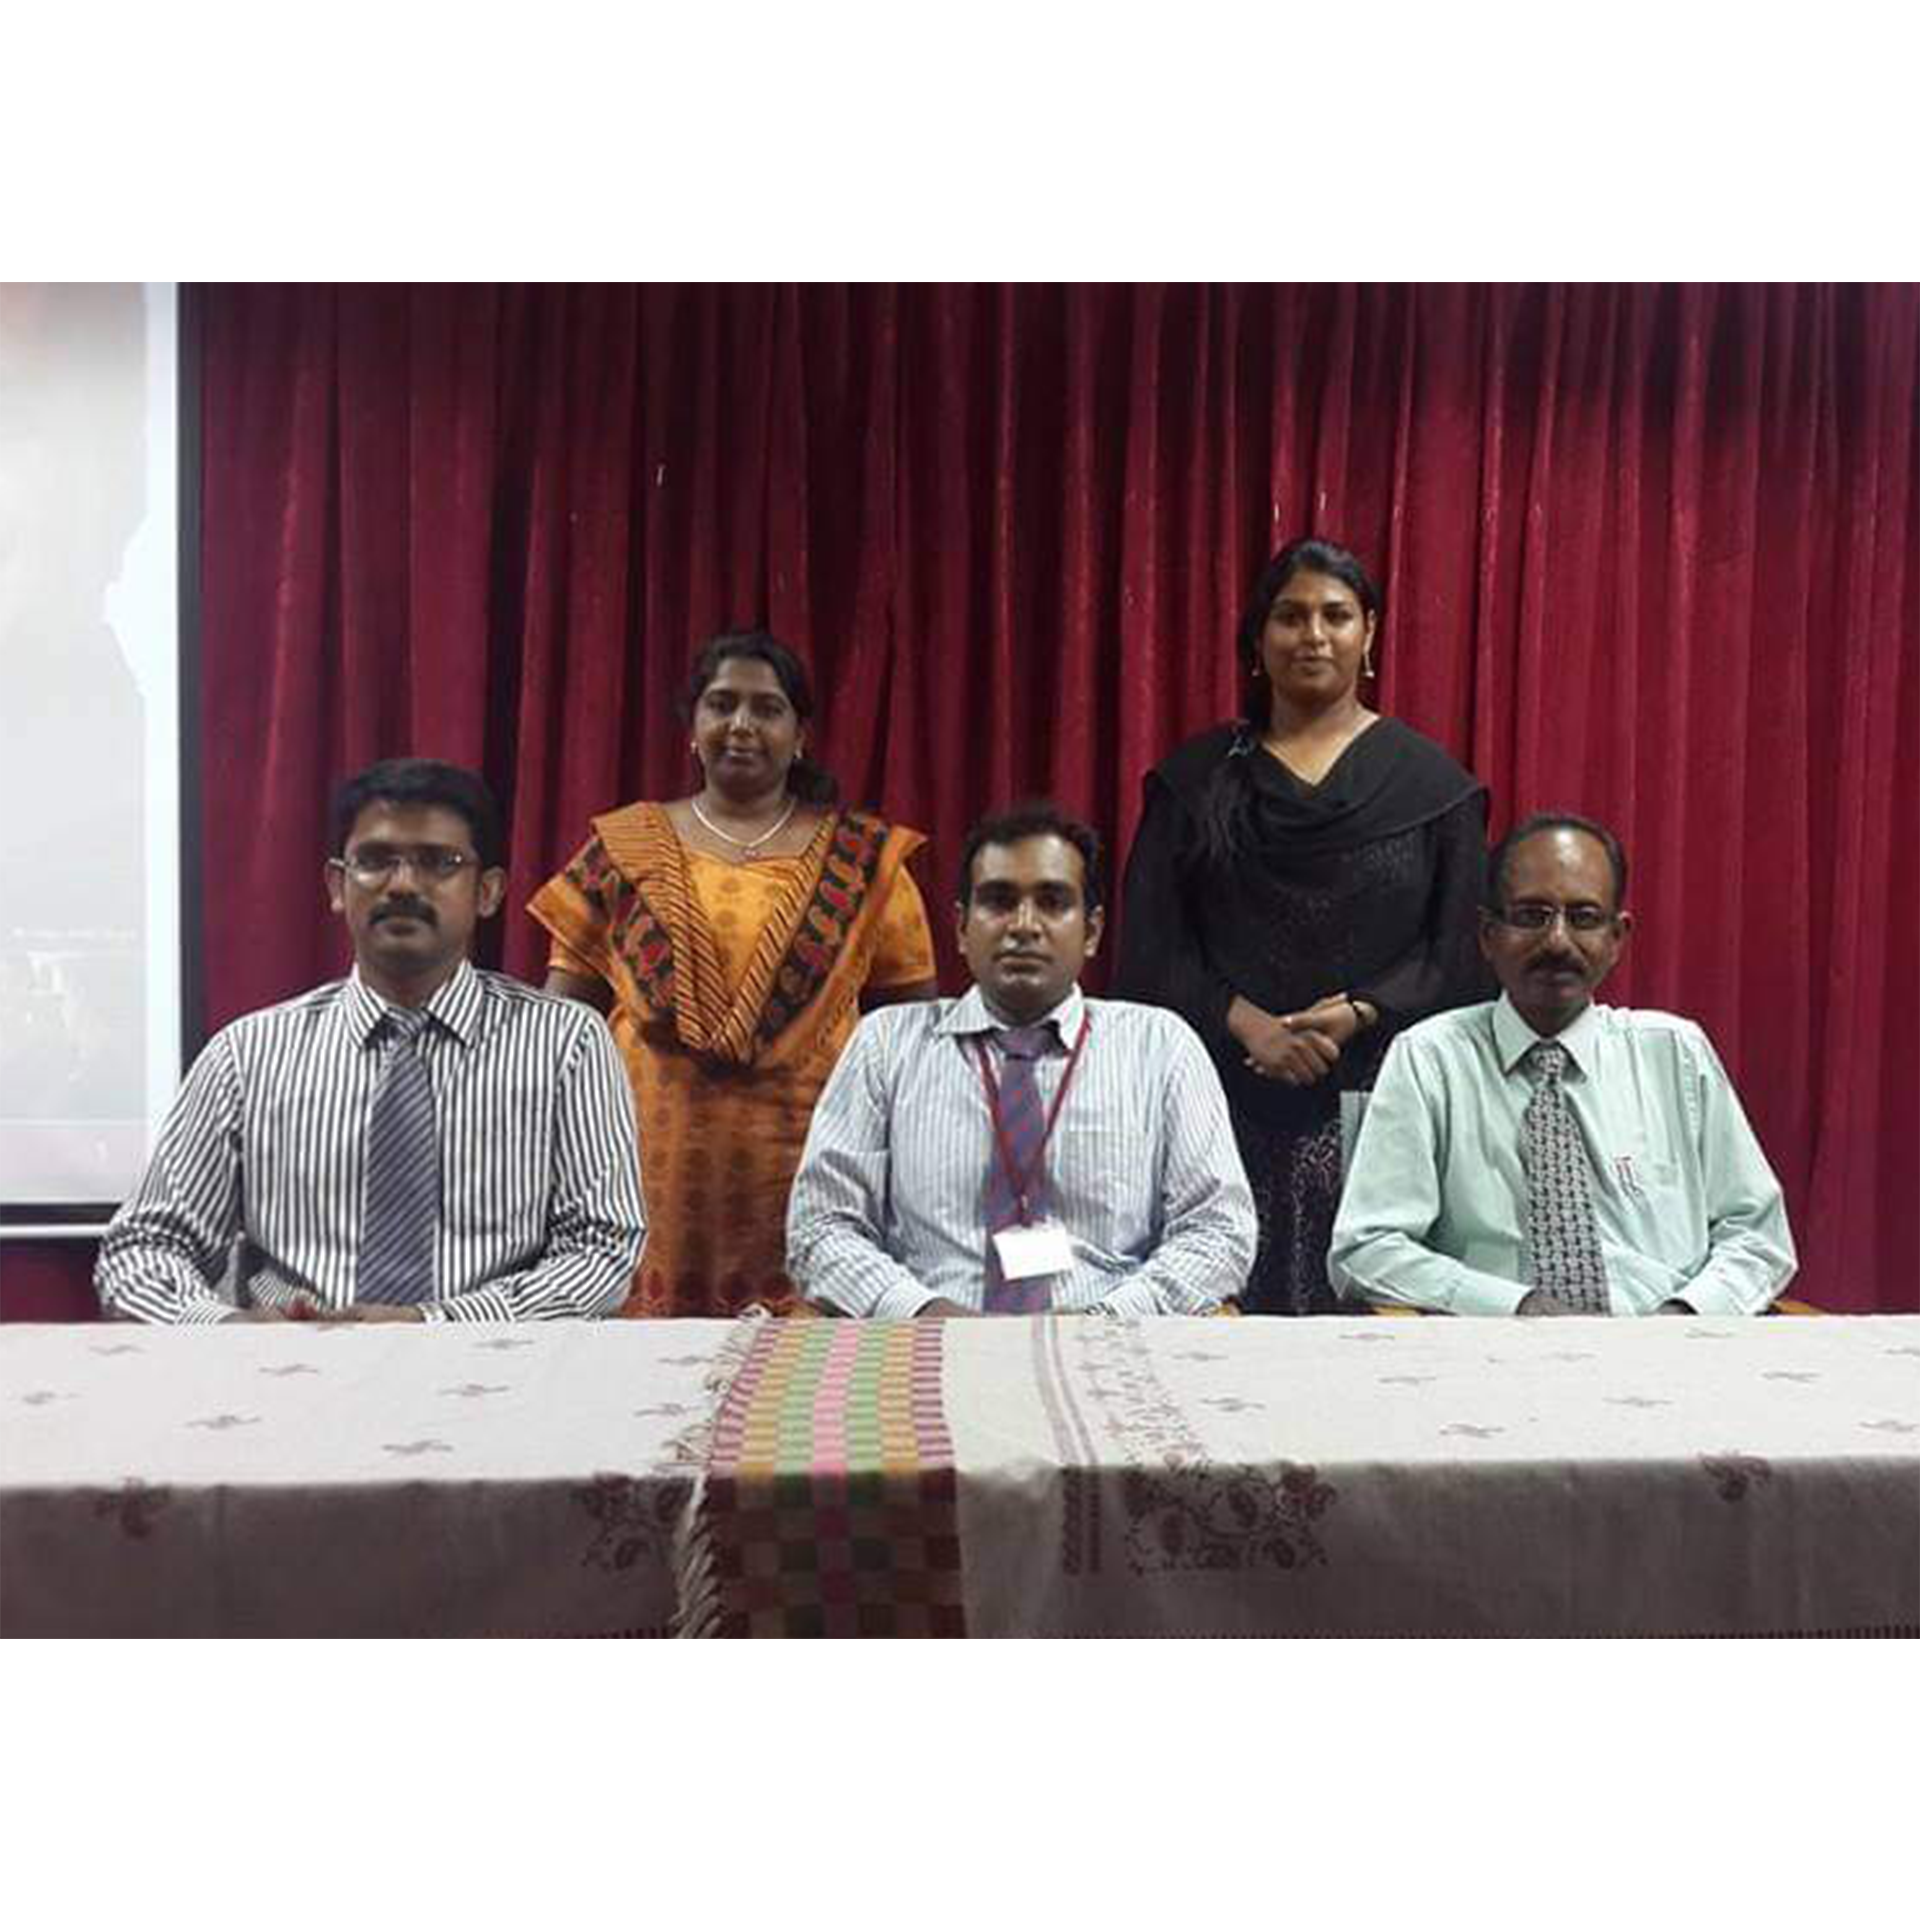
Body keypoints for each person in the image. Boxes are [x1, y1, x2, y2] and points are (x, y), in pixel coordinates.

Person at [96, 759, 647, 1323]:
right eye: (375, 860)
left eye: (439, 862)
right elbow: (143, 1248)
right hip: (289, 1364)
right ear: (337, 885)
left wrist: (433, 1323)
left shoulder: (565, 1045)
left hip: (493, 1360)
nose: (402, 884)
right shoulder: (248, 1055)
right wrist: (228, 1329)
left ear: (487, 892)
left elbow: (601, 1250)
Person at [1114, 537, 1490, 1315]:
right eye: (1290, 616)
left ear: (1369, 632)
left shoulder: (1433, 787)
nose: (1313, 635)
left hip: (1381, 1110)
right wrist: (1247, 1023)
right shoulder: (1195, 781)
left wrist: (1360, 1011)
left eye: (1335, 615)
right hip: (1217, 1099)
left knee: (1374, 1349)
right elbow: (1149, 948)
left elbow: (1460, 953)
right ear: (1258, 638)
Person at [530, 631, 938, 1315]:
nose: (742, 724)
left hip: (816, 1168)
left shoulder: (865, 865)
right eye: (721, 704)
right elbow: (561, 1030)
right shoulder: (622, 850)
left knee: (801, 1374)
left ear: (799, 735)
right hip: (643, 1170)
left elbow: (912, 1045)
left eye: (767, 708)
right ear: (692, 726)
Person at [787, 805, 1256, 1317]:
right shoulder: (886, 1046)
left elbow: (1219, 1229)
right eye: (999, 901)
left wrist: (1110, 1318)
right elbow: (821, 1228)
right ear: (961, 928)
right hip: (926, 1340)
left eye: (1053, 902)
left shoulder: (1160, 1047)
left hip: (1112, 1340)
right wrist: (922, 1312)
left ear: (1092, 931)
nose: (1024, 926)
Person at [1328, 813, 1795, 1315]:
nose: (1556, 941)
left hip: (1669, 1341)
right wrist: (1515, 1306)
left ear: (1617, 938)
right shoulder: (1430, 1059)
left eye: (1584, 918)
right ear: (1487, 934)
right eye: (1532, 916)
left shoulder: (1676, 1053)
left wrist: (1683, 1315)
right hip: (1492, 1347)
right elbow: (1367, 1248)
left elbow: (1757, 1238)